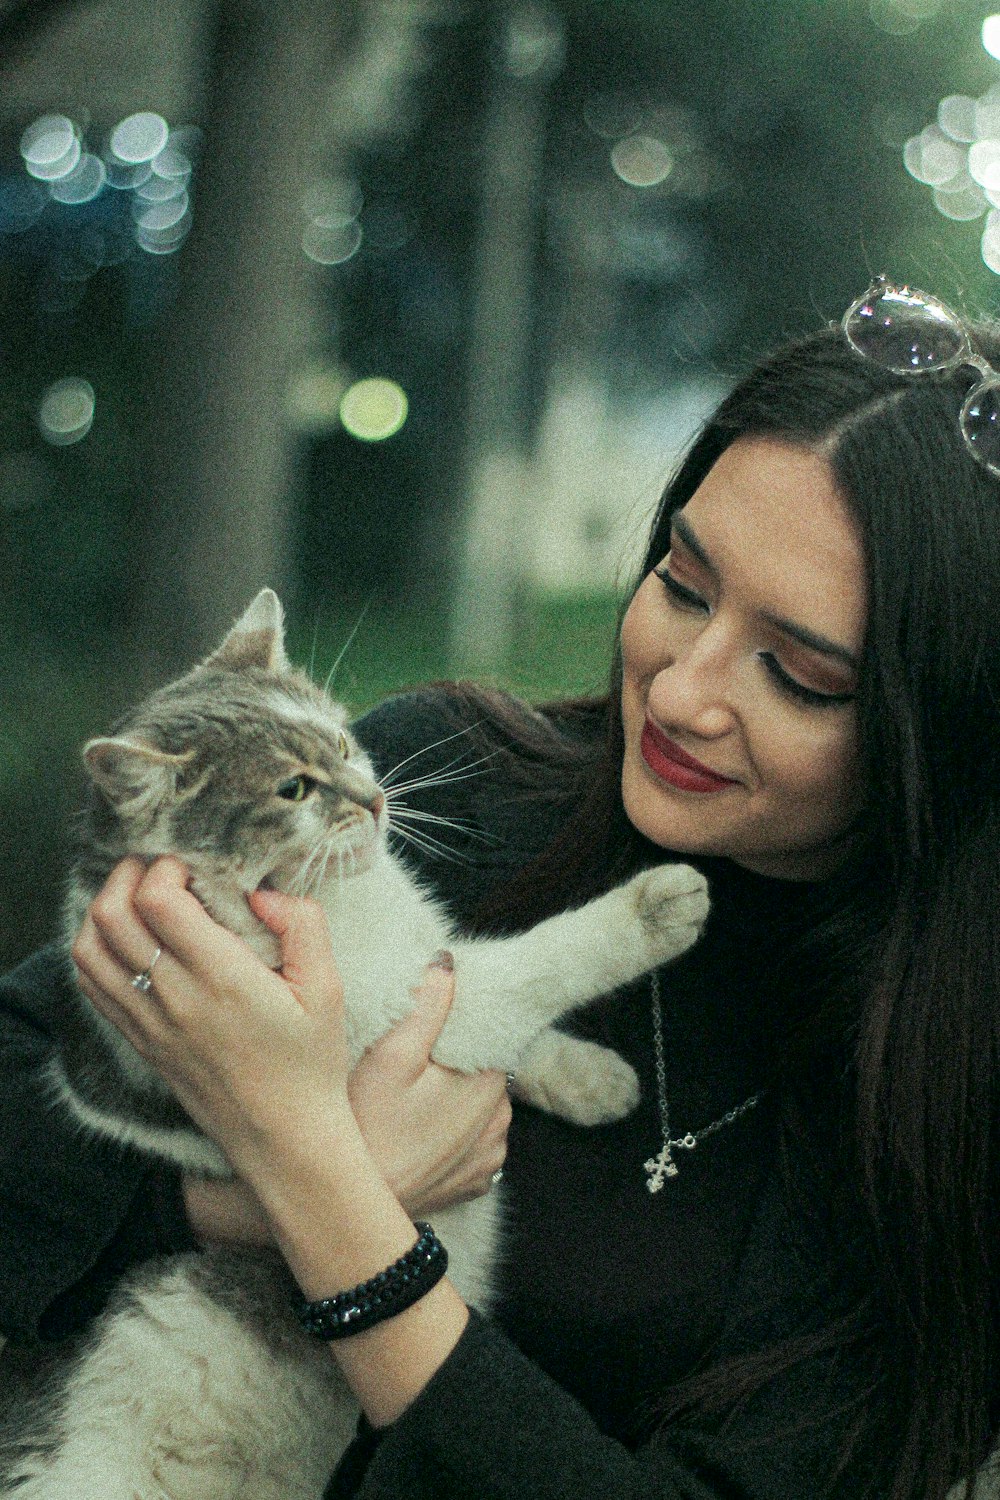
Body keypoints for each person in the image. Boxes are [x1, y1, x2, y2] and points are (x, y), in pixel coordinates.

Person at [2, 279, 1000, 1500]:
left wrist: (325, 1188)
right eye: (683, 585)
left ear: (939, 732)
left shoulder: (941, 1106)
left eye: (796, 675)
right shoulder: (434, 783)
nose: (681, 690)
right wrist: (236, 1204)